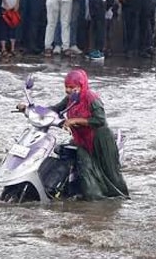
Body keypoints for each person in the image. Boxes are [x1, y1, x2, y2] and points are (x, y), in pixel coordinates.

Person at [17, 69, 129, 200]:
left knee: (110, 172)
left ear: (81, 86)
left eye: (72, 87)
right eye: (66, 87)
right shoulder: (71, 98)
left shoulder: (91, 98)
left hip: (99, 140)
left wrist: (75, 120)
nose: (68, 90)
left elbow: (100, 120)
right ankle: (86, 195)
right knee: (80, 164)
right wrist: (30, 108)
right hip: (82, 140)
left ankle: (113, 198)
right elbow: (54, 109)